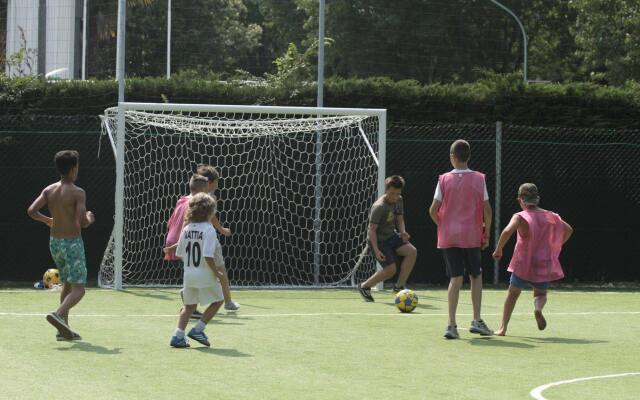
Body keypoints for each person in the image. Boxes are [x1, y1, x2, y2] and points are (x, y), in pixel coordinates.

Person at [27, 150, 95, 341]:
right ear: (74, 169)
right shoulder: (78, 192)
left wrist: (48, 220)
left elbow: (32, 211)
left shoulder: (49, 190)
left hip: (55, 243)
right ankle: (58, 314)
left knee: (67, 284)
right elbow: (83, 222)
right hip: (72, 243)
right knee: (79, 289)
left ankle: (62, 330)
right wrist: (90, 216)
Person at [429, 139, 493, 339]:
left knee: (455, 278)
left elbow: (432, 210)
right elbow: (487, 210)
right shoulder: (479, 179)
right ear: (469, 156)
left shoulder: (444, 179)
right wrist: (487, 233)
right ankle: (476, 320)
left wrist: (443, 224)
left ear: (452, 157)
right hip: (472, 235)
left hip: (449, 236)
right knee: (476, 275)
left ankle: (451, 325)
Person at [492, 183, 573, 336]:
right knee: (540, 294)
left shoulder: (520, 216)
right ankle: (538, 309)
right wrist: (556, 245)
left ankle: (503, 328)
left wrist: (498, 249)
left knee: (513, 293)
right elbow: (568, 230)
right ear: (537, 199)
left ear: (520, 199)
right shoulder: (552, 216)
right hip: (544, 262)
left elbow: (507, 230)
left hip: (523, 262)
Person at [170, 193, 224, 348]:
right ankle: (198, 329)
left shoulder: (187, 229)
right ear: (210, 212)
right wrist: (216, 272)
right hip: (204, 272)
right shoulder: (209, 230)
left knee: (189, 306)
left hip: (189, 274)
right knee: (218, 299)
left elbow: (179, 253)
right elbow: (207, 255)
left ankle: (178, 335)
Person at [358, 175, 417, 302]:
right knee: (390, 270)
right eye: (392, 193)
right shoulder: (379, 206)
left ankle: (398, 286)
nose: (394, 197)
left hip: (392, 236)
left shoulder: (399, 200)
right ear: (386, 190)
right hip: (379, 241)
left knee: (412, 252)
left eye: (397, 194)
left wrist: (403, 232)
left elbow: (399, 218)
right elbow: (371, 230)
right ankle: (364, 286)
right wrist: (376, 250)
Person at [195, 164, 239, 311]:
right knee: (221, 270)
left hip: (194, 237)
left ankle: (191, 299)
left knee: (194, 269)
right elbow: (212, 217)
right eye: (217, 182)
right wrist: (222, 230)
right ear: (211, 182)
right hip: (208, 238)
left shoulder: (193, 197)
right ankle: (227, 301)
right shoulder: (211, 197)